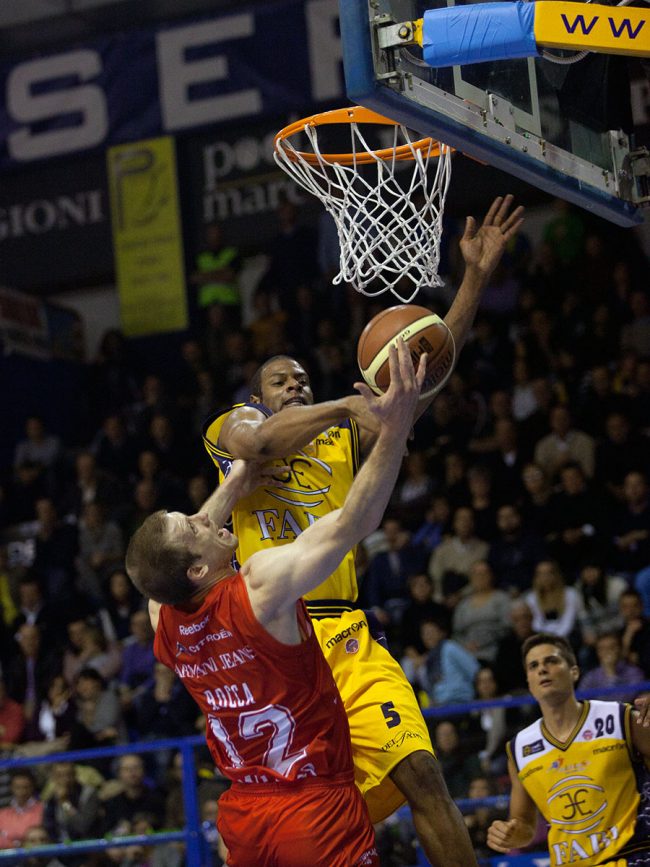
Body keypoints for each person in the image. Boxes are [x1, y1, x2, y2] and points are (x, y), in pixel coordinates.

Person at [200, 196, 524, 858]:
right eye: (281, 380)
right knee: (283, 818)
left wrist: (473, 280)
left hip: (343, 632)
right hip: (272, 648)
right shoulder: (233, 426)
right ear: (259, 394)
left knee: (423, 774)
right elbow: (256, 446)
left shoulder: (342, 440)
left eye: (302, 378)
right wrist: (347, 399)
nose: (294, 384)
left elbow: (421, 380)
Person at [127, 342, 477, 867]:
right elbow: (355, 520)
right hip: (314, 804)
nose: (208, 517)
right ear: (196, 569)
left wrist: (235, 483)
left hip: (247, 811)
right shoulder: (261, 592)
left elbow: (166, 575)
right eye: (197, 524)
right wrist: (394, 429)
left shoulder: (167, 628)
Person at [487, 633, 650, 865]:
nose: (542, 669)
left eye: (551, 661)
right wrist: (510, 834)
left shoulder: (620, 718)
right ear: (529, 683)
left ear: (574, 671)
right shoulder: (519, 748)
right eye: (534, 666)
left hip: (632, 857)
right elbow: (524, 826)